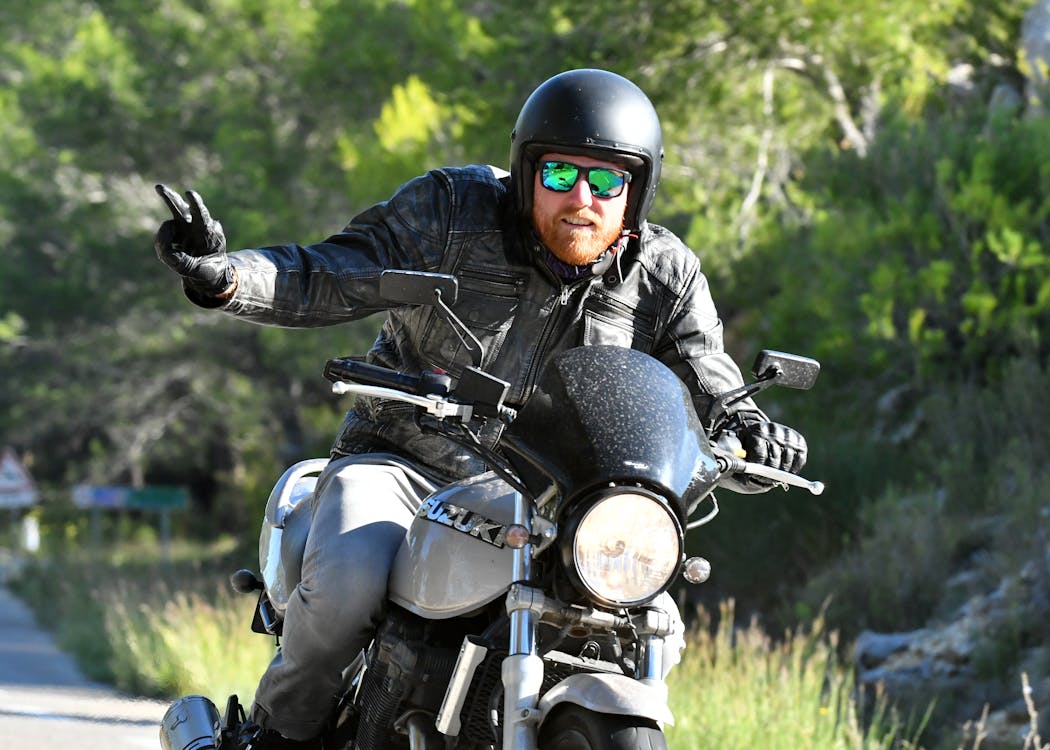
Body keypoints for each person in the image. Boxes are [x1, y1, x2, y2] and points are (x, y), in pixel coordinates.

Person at [154, 68, 808, 748]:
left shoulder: (665, 274)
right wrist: (226, 276)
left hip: (554, 496)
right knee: (347, 583)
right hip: (401, 464)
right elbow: (332, 272)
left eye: (606, 180)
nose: (581, 198)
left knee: (646, 611)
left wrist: (749, 431)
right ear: (527, 173)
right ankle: (276, 737)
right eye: (559, 176)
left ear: (636, 189)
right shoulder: (453, 213)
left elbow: (709, 379)